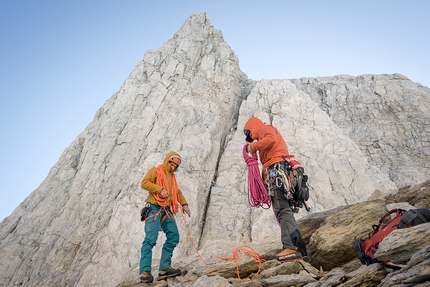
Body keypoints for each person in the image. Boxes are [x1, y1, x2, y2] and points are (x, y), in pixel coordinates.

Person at [243, 117, 308, 262]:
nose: (250, 137)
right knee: (283, 209)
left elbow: (271, 139)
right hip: (278, 170)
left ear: (253, 127)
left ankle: (290, 248)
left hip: (276, 170)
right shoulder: (264, 132)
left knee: (282, 209)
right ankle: (299, 249)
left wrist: (252, 148)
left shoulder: (265, 129)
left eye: (248, 133)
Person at [139, 151, 191, 283]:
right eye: (172, 164)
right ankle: (145, 271)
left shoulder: (172, 178)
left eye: (175, 166)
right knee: (150, 239)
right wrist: (159, 189)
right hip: (154, 208)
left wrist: (184, 204)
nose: (173, 167)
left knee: (174, 236)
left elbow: (177, 192)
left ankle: (164, 268)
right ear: (167, 160)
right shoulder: (155, 171)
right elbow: (144, 183)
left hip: (167, 210)